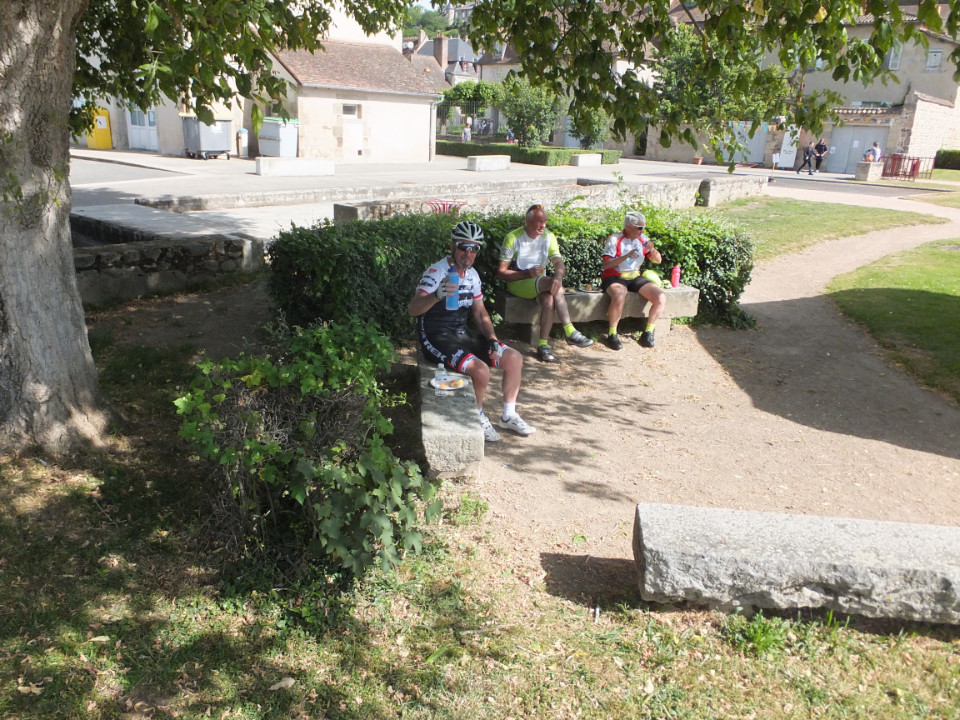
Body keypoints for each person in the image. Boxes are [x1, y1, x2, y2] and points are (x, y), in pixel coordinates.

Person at [408, 220, 534, 443]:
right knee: (481, 370)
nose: (468, 253)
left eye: (474, 248)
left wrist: (492, 339)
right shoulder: (437, 272)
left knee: (514, 358)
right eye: (463, 246)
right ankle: (476, 416)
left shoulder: (473, 275)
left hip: (460, 332)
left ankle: (509, 414)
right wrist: (436, 295)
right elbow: (413, 309)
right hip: (435, 336)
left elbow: (480, 312)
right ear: (452, 246)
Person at [497, 204, 595, 363]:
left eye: (545, 221)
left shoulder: (549, 237)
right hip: (518, 283)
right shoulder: (513, 238)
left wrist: (558, 276)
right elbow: (501, 273)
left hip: (540, 284)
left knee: (549, 298)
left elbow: (558, 262)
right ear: (527, 221)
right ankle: (570, 331)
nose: (543, 225)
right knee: (550, 284)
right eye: (539, 221)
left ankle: (543, 345)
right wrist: (526, 273)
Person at [601, 211, 666, 350]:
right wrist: (626, 256)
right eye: (639, 228)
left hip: (635, 276)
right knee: (619, 295)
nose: (642, 231)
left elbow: (658, 260)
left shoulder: (643, 239)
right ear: (629, 226)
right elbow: (606, 265)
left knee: (660, 297)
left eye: (643, 227)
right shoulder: (615, 239)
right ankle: (612, 334)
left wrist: (652, 249)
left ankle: (648, 333)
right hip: (615, 276)